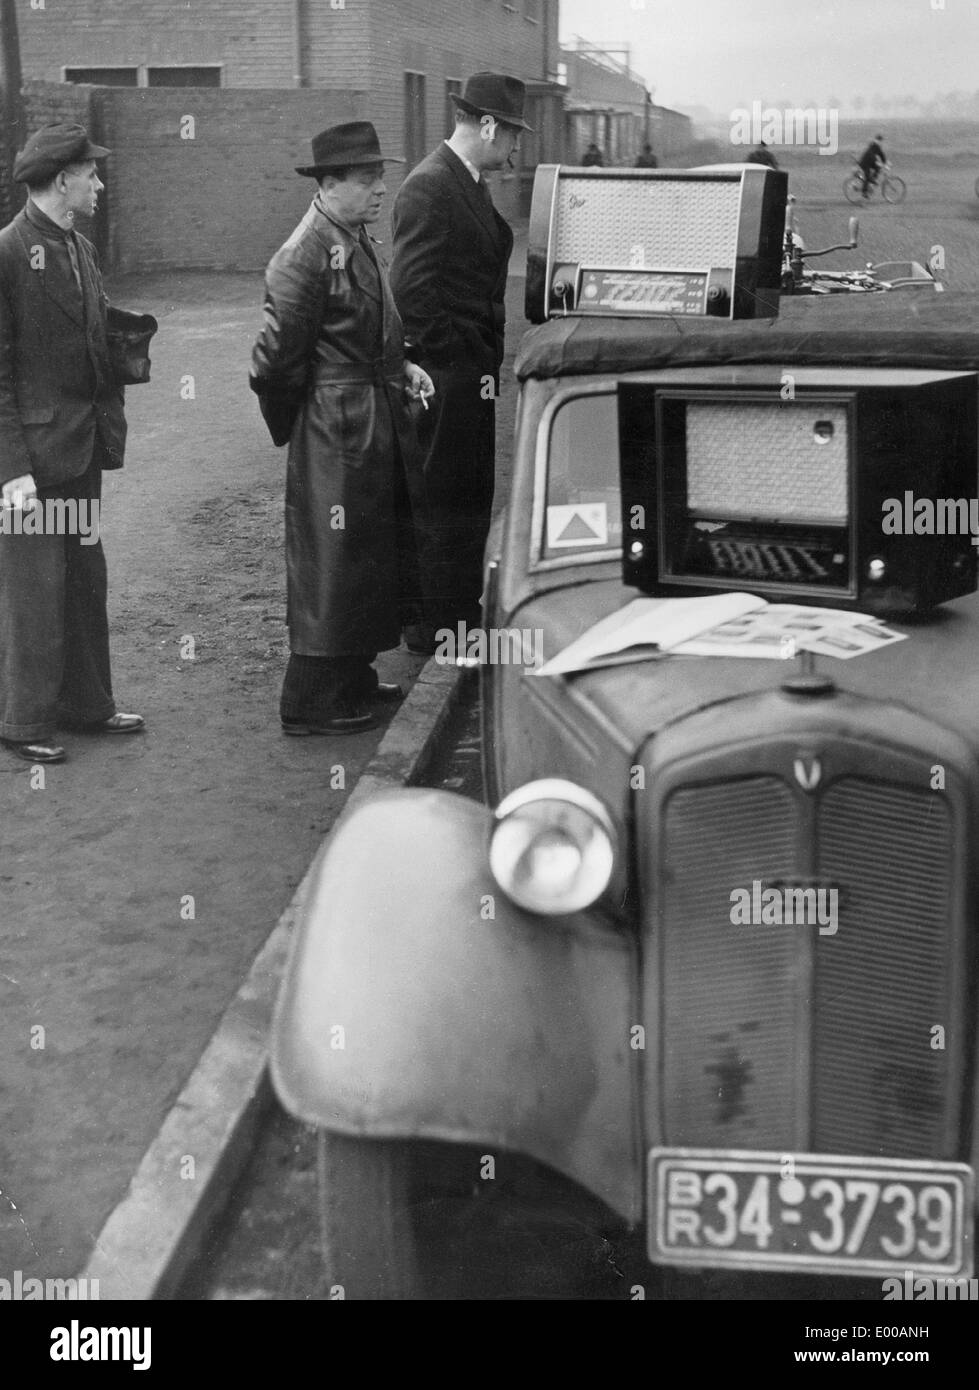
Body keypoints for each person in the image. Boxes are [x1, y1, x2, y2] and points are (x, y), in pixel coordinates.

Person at [251, 121, 434, 736]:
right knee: (331, 566)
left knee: (363, 556)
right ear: (328, 185)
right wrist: (305, 425)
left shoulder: (353, 236)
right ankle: (309, 703)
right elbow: (273, 364)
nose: (382, 189)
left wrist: (400, 365)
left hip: (366, 418)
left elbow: (371, 323)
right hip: (335, 429)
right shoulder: (302, 254)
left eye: (380, 177)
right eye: (366, 180)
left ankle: (351, 678)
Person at [0, 123, 146, 765]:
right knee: (33, 586)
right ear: (63, 181)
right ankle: (23, 719)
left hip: (81, 446)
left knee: (86, 574)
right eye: (91, 173)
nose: (100, 182)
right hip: (31, 461)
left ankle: (87, 704)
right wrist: (11, 470)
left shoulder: (78, 247)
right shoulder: (7, 254)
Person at [390, 73, 527, 642]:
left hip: (470, 372)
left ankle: (449, 615)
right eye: (513, 132)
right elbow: (411, 287)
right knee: (446, 495)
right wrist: (457, 355)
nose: (516, 145)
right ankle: (442, 625)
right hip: (447, 374)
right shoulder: (430, 185)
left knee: (467, 491)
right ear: (488, 125)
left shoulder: (464, 180)